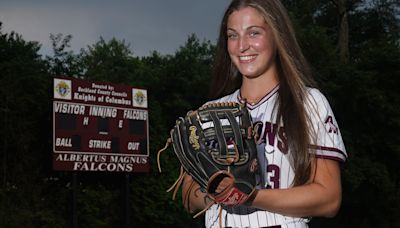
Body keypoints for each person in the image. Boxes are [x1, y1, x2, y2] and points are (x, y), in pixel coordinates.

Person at [181, 0, 348, 227]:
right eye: (232, 35)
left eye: (254, 33)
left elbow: (329, 199)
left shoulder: (308, 102)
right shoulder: (209, 112)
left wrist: (248, 196)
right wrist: (214, 191)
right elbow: (189, 197)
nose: (242, 46)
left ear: (277, 36)